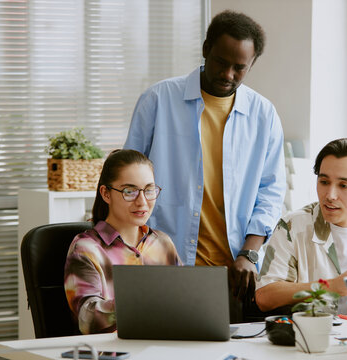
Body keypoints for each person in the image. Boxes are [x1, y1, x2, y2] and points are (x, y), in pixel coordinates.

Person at [123, 10, 286, 317]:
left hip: (235, 277)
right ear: (205, 49)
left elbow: (271, 194)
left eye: (239, 68)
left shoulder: (264, 115)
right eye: (221, 62)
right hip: (162, 268)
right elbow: (127, 182)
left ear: (252, 65)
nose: (228, 74)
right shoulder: (158, 100)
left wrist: (249, 254)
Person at [255, 138, 347, 314]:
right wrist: (329, 286)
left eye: (343, 185)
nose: (330, 195)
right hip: (314, 337)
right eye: (324, 182)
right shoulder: (293, 226)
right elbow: (264, 296)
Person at [64, 149, 181, 334]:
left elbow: (183, 303)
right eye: (130, 191)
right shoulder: (86, 249)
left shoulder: (163, 244)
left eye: (149, 190)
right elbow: (87, 318)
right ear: (106, 194)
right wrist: (142, 301)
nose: (142, 202)